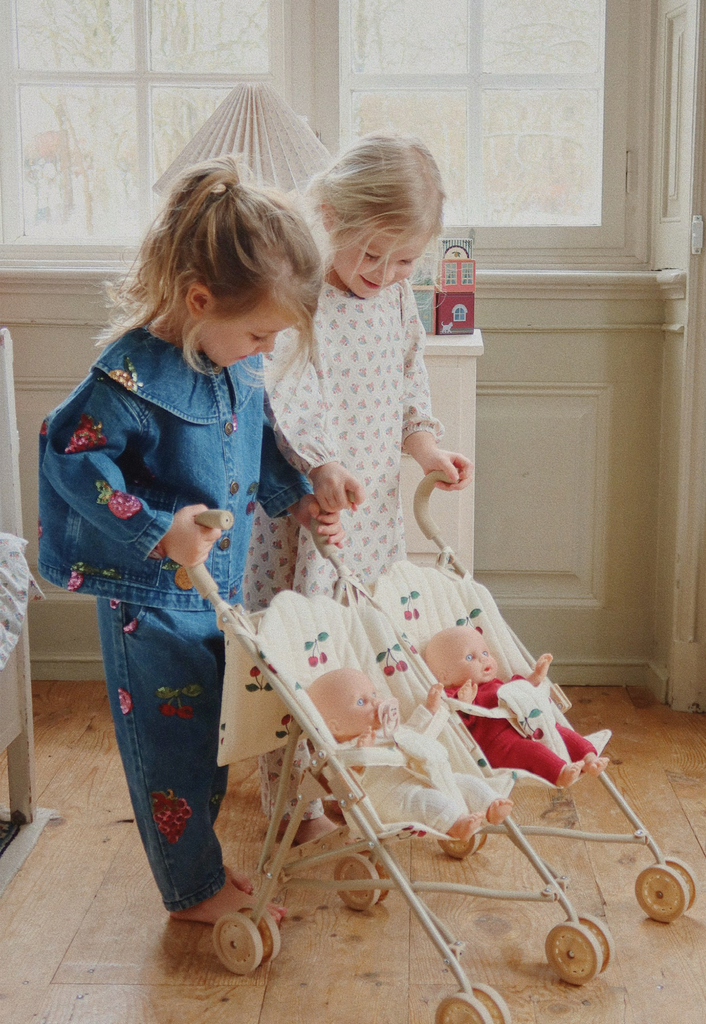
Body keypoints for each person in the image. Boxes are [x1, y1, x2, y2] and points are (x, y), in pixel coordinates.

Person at [37, 156, 345, 925]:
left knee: (210, 732)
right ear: (198, 299)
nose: (266, 349)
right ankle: (194, 888)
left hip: (216, 587)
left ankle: (199, 869)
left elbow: (257, 448)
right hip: (150, 601)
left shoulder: (230, 363)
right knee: (170, 751)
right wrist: (154, 527)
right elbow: (69, 452)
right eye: (261, 332)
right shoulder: (129, 377)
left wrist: (298, 500)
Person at [244, 132, 474, 841]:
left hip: (369, 520)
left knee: (370, 647)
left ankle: (362, 775)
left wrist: (427, 446)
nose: (383, 271)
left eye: (403, 258)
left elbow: (409, 378)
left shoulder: (398, 296)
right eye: (370, 253)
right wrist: (319, 466)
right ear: (328, 218)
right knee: (304, 655)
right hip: (308, 515)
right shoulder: (303, 293)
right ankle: (295, 801)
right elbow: (286, 390)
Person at [307, 668, 513, 840]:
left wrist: (430, 709)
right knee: (429, 802)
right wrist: (360, 756)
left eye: (374, 695)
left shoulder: (387, 729)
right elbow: (346, 784)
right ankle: (458, 824)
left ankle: (491, 805)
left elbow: (412, 732)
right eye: (361, 702)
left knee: (466, 782)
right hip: (393, 798)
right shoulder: (344, 751)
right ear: (336, 726)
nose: (376, 703)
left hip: (426, 777)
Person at [423, 626, 610, 788]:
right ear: (445, 676)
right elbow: (454, 723)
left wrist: (536, 677)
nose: (483, 659)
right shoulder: (454, 693)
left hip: (526, 724)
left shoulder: (496, 683)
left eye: (485, 653)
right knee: (531, 751)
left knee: (560, 731)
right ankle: (560, 773)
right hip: (500, 743)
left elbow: (519, 691)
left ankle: (589, 759)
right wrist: (463, 704)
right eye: (470, 657)